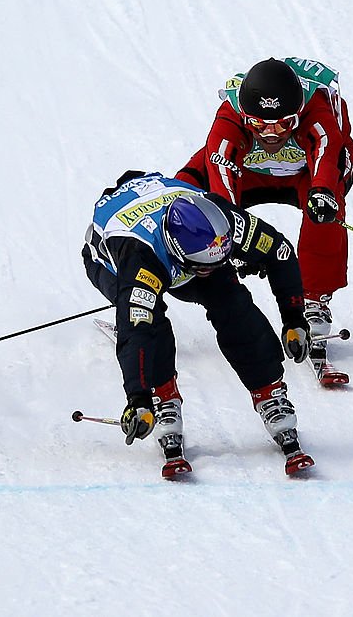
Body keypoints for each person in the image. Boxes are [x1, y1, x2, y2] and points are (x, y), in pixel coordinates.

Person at [81, 170, 315, 476]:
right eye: (203, 266)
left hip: (187, 249)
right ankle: (161, 396)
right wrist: (137, 398)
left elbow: (279, 252)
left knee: (231, 299)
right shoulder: (140, 257)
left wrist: (294, 318)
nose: (213, 269)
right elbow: (136, 331)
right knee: (151, 321)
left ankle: (270, 392)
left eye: (221, 259)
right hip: (113, 264)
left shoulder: (223, 220)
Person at [176, 57, 353, 338]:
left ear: (298, 113)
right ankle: (153, 279)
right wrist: (233, 245)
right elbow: (221, 188)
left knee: (325, 205)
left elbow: (327, 152)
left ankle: (315, 299)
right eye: (258, 125)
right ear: (244, 116)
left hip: (305, 172)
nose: (271, 134)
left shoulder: (316, 109)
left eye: (284, 124)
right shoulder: (229, 117)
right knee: (182, 197)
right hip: (247, 172)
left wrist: (322, 191)